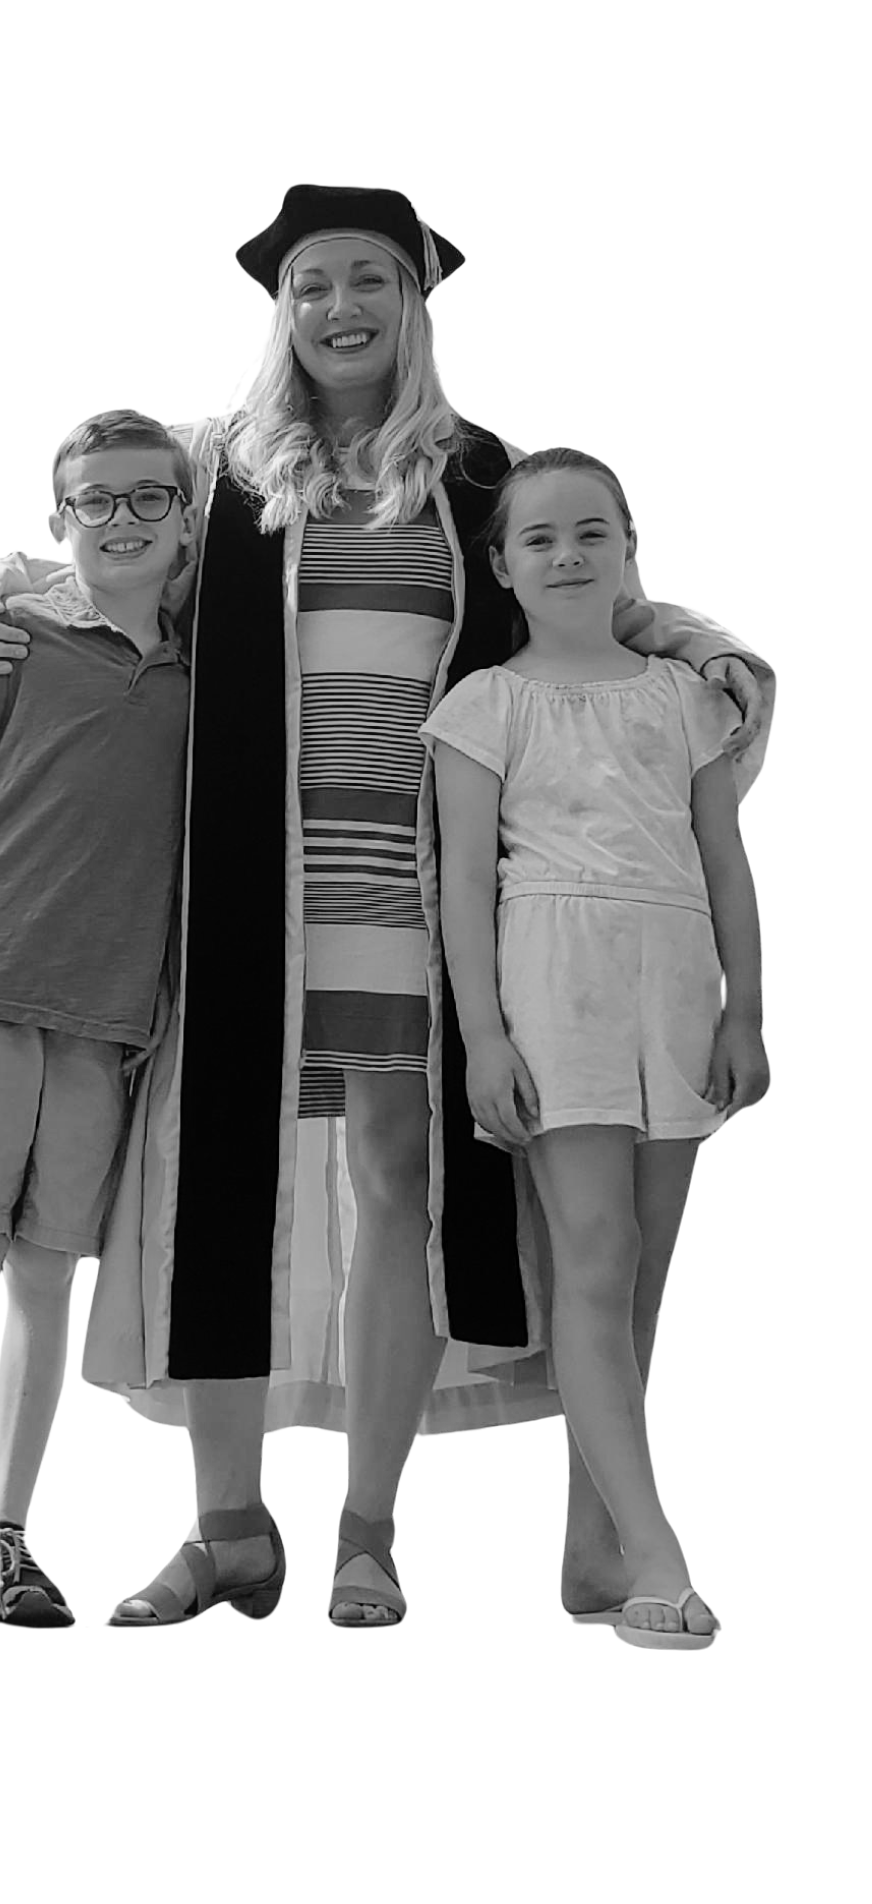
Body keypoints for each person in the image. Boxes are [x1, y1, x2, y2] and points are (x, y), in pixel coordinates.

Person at [0, 184, 776, 1632]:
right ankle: (227, 1529)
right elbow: (77, 547)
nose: (339, 307)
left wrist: (705, 647)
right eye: (312, 283)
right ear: (279, 308)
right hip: (237, 885)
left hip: (415, 891)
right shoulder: (210, 463)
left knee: (399, 1191)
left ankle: (367, 1535)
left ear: (415, 302)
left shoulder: (483, 471)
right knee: (216, 1180)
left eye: (369, 278)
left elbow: (600, 602)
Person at [0, 426, 228, 1628]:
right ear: (59, 521)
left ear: (186, 521)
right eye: (95, 502)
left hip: (109, 1011)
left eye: (148, 499)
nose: (122, 520)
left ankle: (8, 1534)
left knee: (47, 1270)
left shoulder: (202, 679)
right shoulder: (15, 638)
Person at [418, 446, 772, 1647]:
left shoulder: (687, 699)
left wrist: (742, 1014)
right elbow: (464, 887)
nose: (567, 555)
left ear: (630, 547)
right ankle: (661, 1562)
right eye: (540, 538)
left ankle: (591, 1555)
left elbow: (725, 863)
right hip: (554, 989)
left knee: (643, 1283)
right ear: (502, 566)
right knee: (595, 1259)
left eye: (590, 533)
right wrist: (483, 1040)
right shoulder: (484, 706)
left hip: (675, 989)